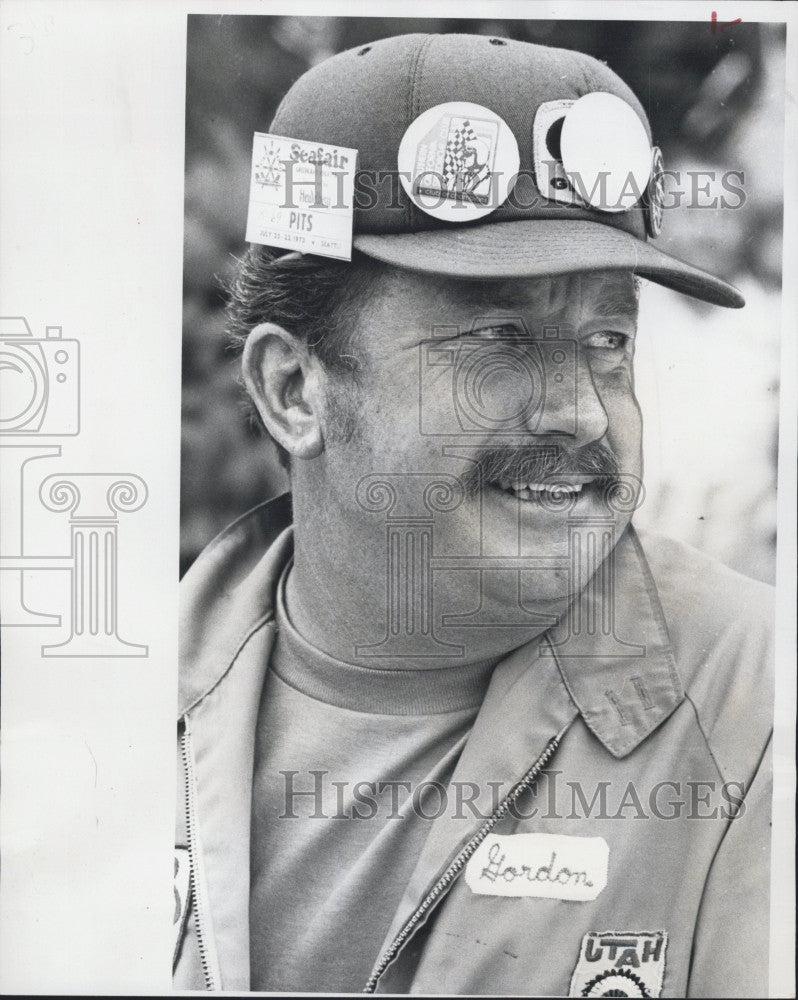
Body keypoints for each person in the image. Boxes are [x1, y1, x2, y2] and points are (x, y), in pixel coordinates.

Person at [173, 33, 773, 997]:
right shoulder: (106, 717)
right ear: (295, 388)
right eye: (501, 336)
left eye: (608, 340)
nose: (582, 410)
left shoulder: (758, 709)